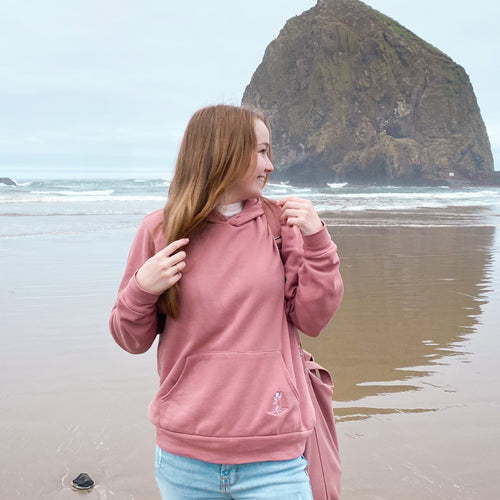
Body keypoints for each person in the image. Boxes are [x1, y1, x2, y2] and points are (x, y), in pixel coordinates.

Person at [109, 104, 343, 499]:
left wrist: (319, 242)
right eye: (261, 152)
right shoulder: (159, 229)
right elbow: (130, 339)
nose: (269, 166)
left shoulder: (279, 224)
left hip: (275, 456)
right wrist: (141, 288)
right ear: (223, 152)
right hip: (185, 458)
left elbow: (313, 318)